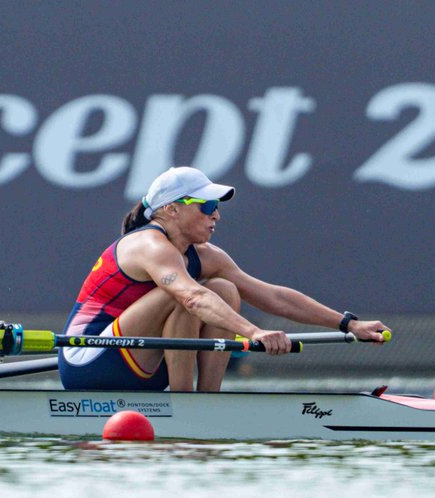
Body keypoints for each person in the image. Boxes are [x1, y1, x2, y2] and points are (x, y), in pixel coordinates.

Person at [58, 166, 389, 392]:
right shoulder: (148, 245)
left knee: (224, 288)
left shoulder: (206, 255)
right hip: (91, 361)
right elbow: (192, 298)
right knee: (190, 294)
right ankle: (186, 405)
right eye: (207, 205)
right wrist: (254, 332)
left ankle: (208, 401)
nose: (216, 214)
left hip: (145, 359)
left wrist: (348, 324)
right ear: (172, 209)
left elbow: (274, 298)